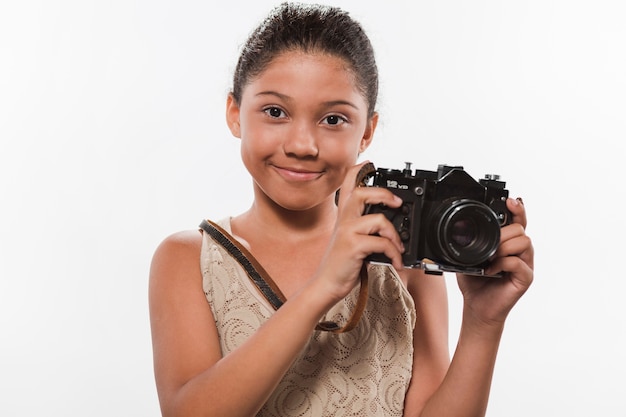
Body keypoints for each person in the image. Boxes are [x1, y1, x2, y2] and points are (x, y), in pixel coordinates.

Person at [148, 2, 534, 416]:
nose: (301, 145)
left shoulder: (404, 263)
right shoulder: (189, 258)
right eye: (275, 111)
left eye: (333, 119)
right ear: (235, 113)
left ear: (366, 130)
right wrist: (324, 286)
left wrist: (482, 323)